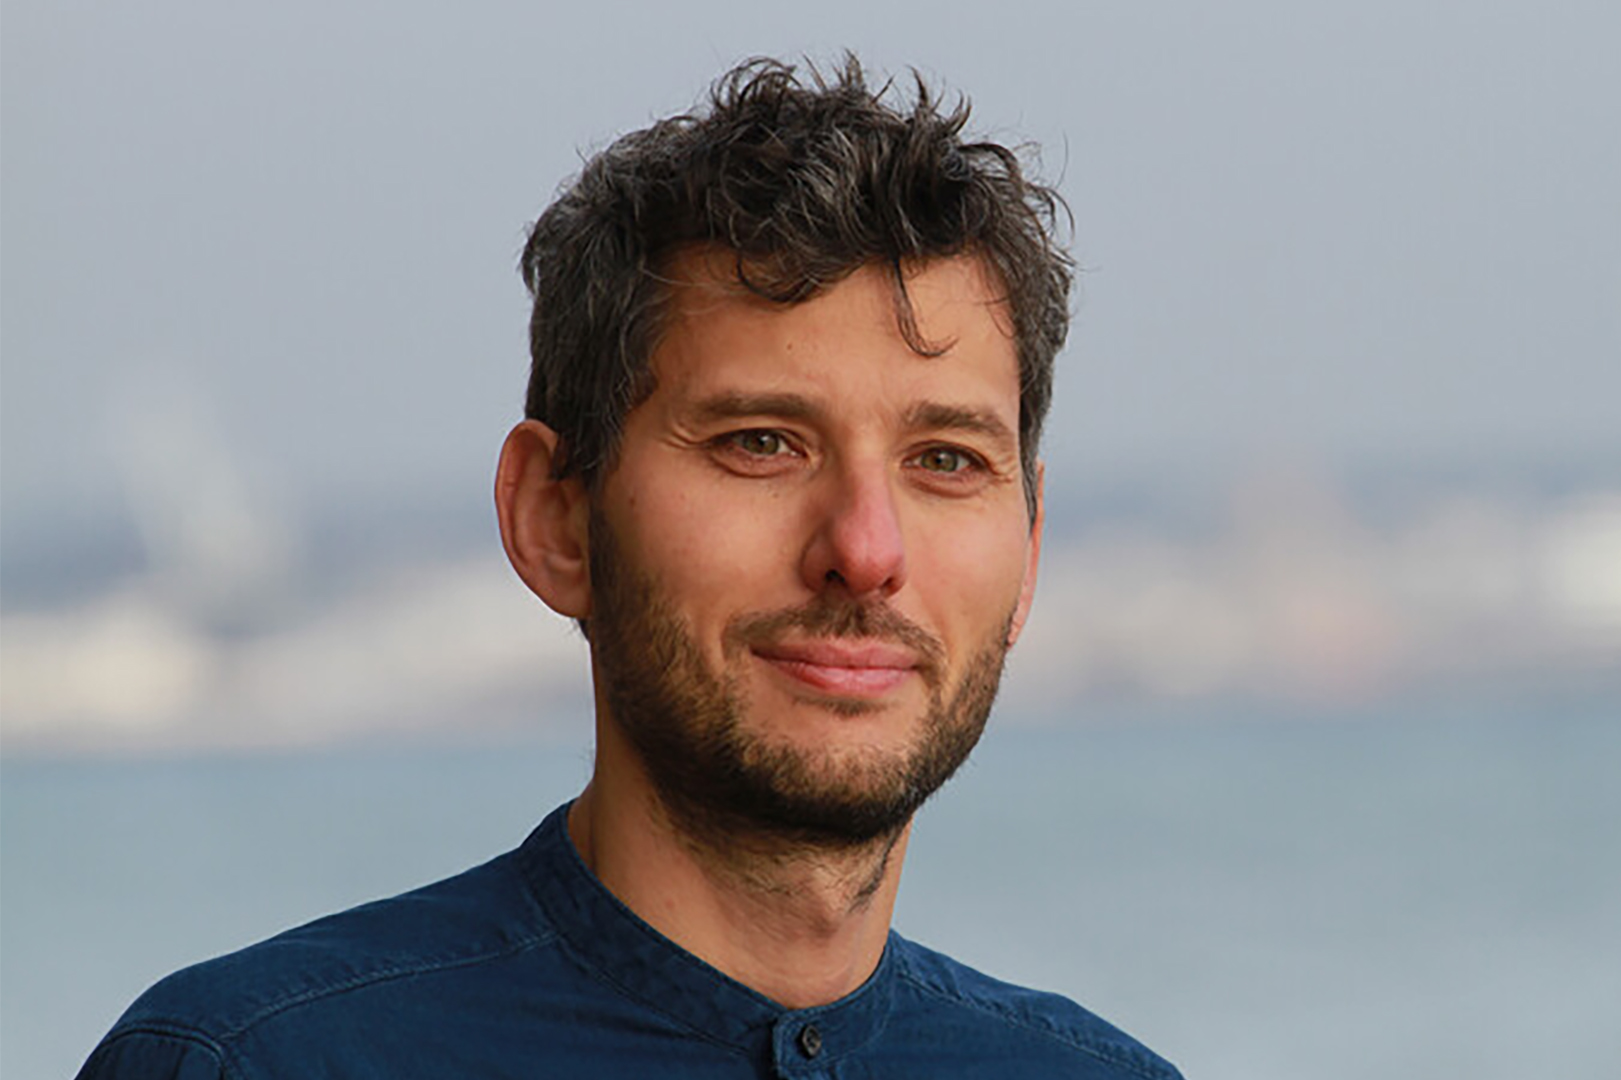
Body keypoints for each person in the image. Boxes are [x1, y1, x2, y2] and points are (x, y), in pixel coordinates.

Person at [78, 56, 1182, 1079]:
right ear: (556, 519)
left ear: (1029, 550)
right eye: (761, 442)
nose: (865, 551)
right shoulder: (255, 1064)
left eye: (945, 460)